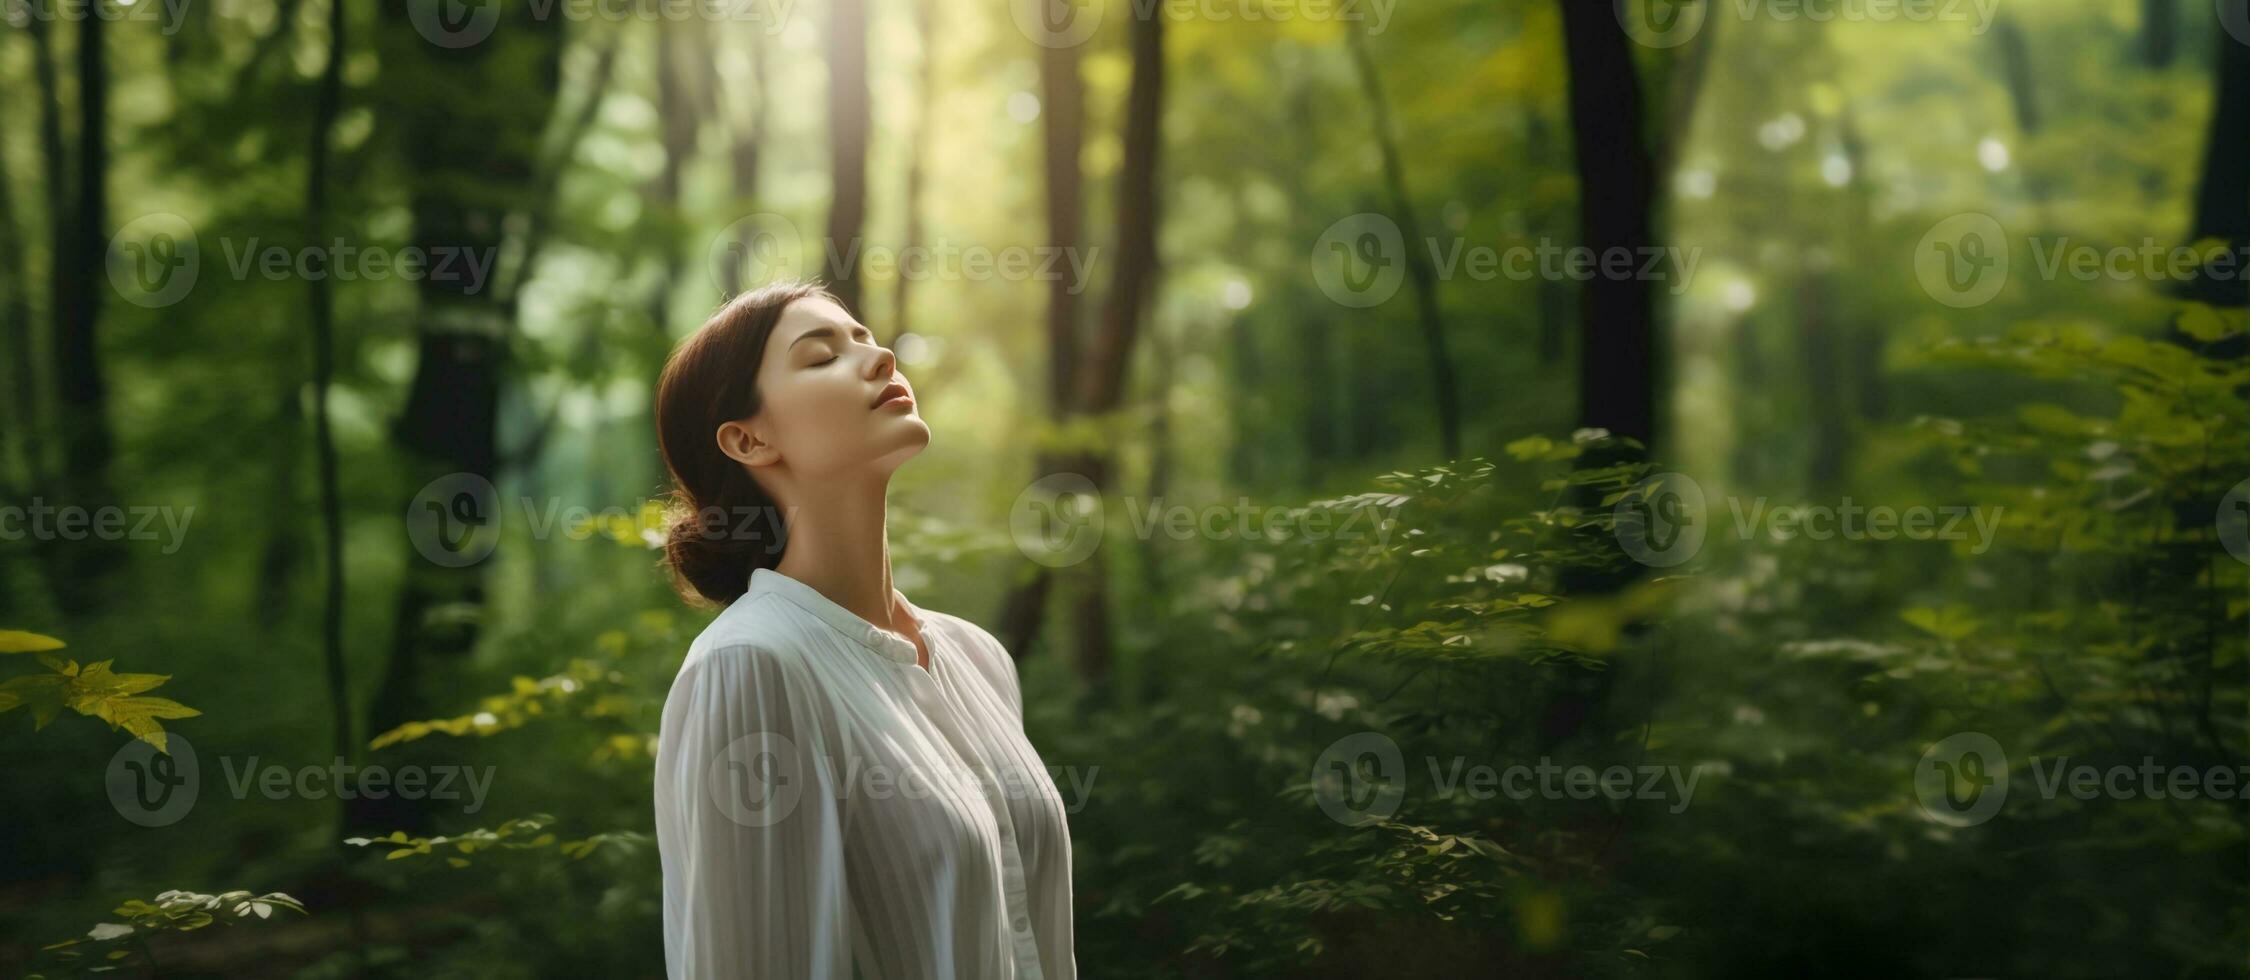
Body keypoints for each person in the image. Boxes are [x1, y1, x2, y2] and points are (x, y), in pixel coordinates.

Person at [650, 281, 1077, 979]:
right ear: (749, 439)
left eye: (868, 340)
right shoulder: (751, 666)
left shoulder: (978, 658)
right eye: (821, 357)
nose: (880, 359)